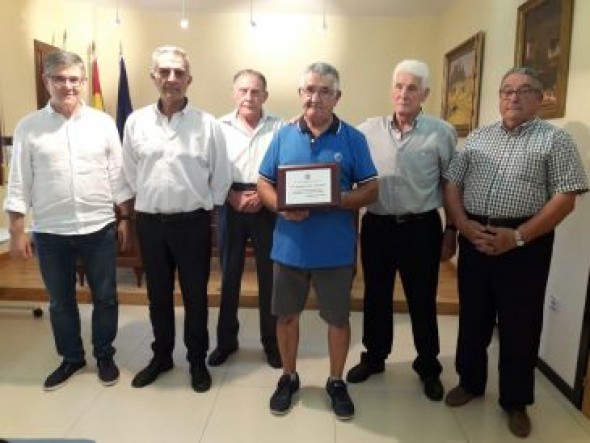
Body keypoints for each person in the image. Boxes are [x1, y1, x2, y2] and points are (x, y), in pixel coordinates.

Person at [443, 66, 588, 438]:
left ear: (540, 98)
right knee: (473, 316)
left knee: (520, 325)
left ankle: (516, 401)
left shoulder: (555, 140)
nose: (513, 97)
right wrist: (461, 223)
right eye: (507, 90)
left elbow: (566, 198)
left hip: (525, 244)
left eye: (524, 90)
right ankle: (470, 382)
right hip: (475, 237)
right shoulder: (478, 137)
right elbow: (453, 183)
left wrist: (519, 236)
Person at [3, 50, 134, 391]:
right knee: (60, 301)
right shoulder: (29, 127)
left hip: (99, 227)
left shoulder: (103, 123)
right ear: (46, 81)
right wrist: (17, 230)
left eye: (74, 79)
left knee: (105, 297)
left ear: (83, 81)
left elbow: (117, 174)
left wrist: (124, 218)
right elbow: (19, 181)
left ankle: (104, 354)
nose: (68, 86)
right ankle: (72, 358)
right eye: (59, 79)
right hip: (50, 231)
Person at [257, 62, 378, 420]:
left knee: (337, 320)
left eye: (325, 91)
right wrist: (281, 206)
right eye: (310, 89)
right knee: (285, 317)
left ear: (337, 97)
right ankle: (288, 376)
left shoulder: (353, 138)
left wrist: (333, 198)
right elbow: (263, 183)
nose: (316, 97)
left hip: (334, 250)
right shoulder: (282, 136)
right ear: (300, 94)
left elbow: (371, 189)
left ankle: (336, 381)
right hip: (289, 248)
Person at [345, 59, 458, 402]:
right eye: (398, 86)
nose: (404, 94)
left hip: (421, 228)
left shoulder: (442, 132)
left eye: (412, 88)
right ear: (391, 90)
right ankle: (374, 357)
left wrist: (452, 230)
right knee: (376, 296)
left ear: (425, 93)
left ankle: (428, 365)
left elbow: (451, 185)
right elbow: (340, 147)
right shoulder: (367, 130)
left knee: (422, 299)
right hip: (377, 226)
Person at [122, 46, 231, 393]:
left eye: (179, 72)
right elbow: (129, 173)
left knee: (195, 296)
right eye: (164, 72)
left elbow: (222, 176)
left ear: (189, 79)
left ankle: (197, 360)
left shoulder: (208, 125)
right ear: (153, 77)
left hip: (192, 224)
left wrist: (206, 210)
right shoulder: (135, 122)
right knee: (158, 295)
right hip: (150, 223)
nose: (172, 78)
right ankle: (162, 356)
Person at [209, 69, 284, 369]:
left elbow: (286, 167)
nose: (249, 97)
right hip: (231, 203)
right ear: (233, 93)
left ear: (265, 95)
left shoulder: (280, 127)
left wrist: (265, 196)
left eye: (255, 91)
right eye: (243, 90)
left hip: (268, 204)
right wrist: (231, 195)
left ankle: (272, 343)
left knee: (270, 277)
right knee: (229, 275)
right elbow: (211, 168)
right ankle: (226, 341)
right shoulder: (218, 127)